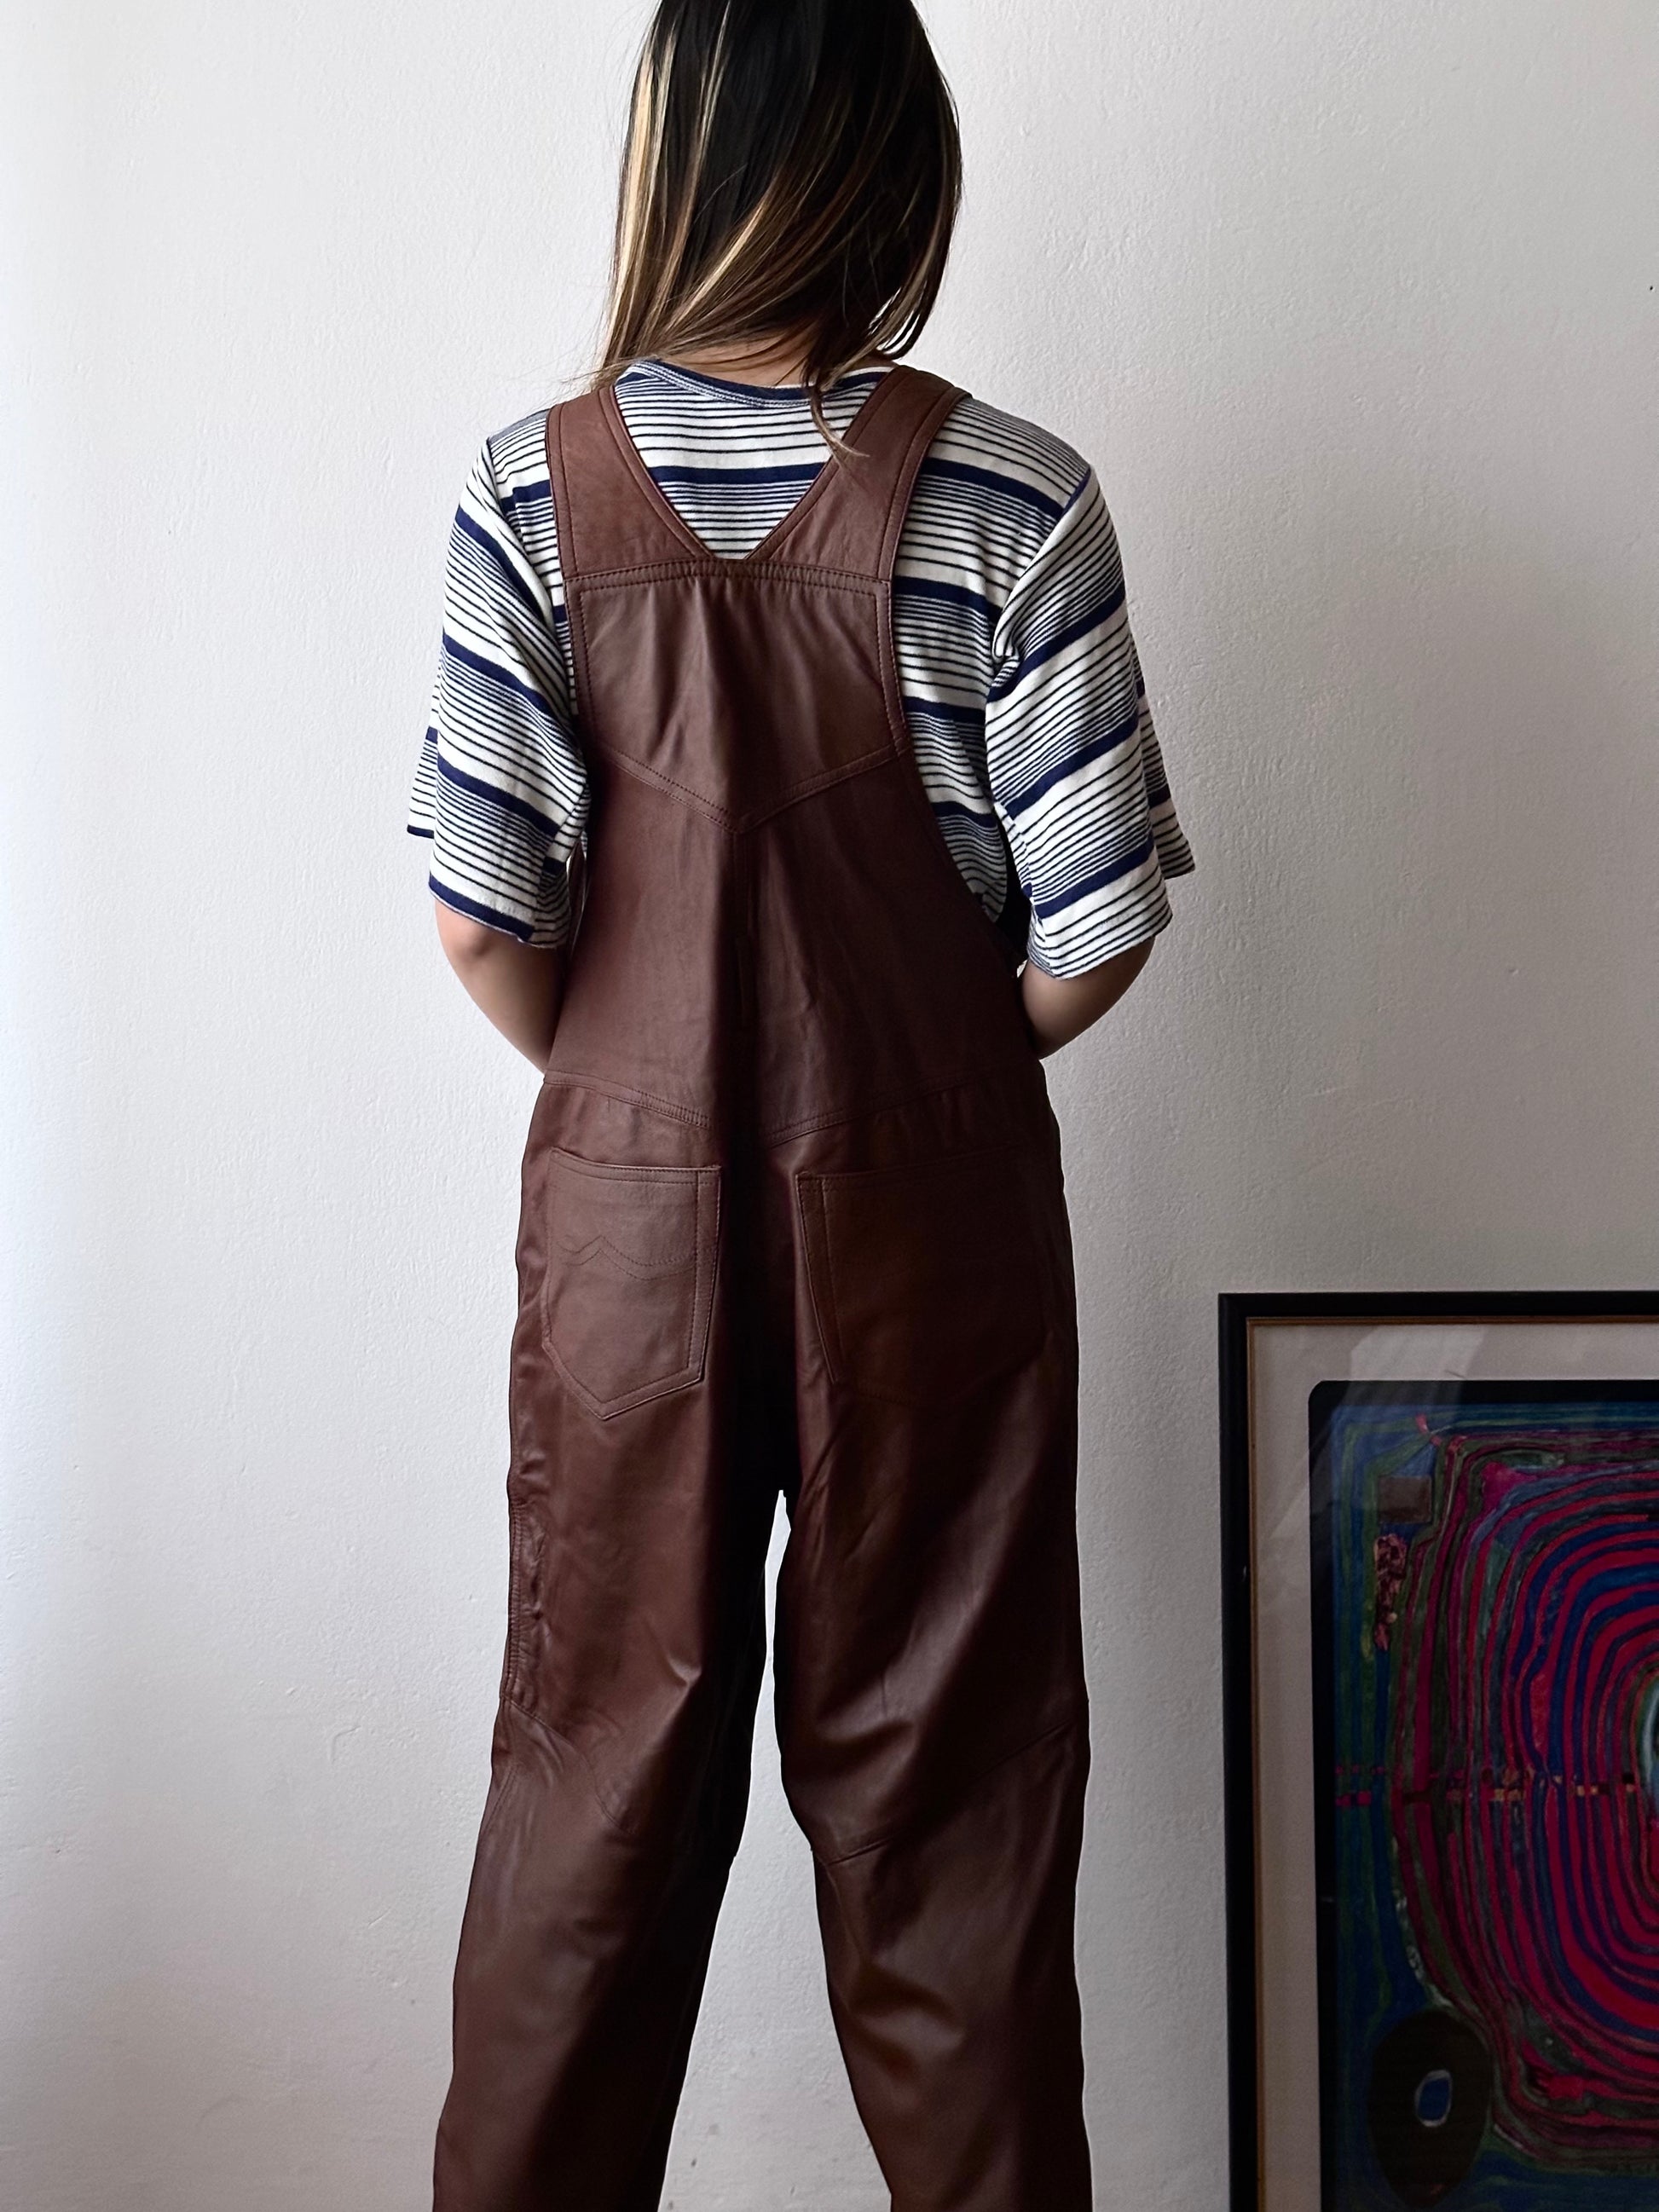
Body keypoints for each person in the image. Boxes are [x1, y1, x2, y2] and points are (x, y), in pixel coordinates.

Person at [405, 3, 1194, 2205]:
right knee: (952, 1809)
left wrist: (644, 1095)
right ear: (895, 164)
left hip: (626, 1240)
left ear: (675, 160)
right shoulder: (1015, 491)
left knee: (594, 1792)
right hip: (926, 1231)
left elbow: (479, 917)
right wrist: (917, 1081)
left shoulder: (528, 488)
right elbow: (1096, 923)